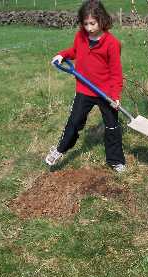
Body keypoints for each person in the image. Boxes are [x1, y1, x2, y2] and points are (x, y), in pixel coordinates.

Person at [45, 0, 125, 172]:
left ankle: (116, 160)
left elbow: (116, 73)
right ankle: (60, 150)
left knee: (112, 126)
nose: (89, 28)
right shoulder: (81, 36)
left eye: (92, 23)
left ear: (102, 20)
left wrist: (115, 95)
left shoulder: (112, 43)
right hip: (84, 89)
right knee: (74, 122)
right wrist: (62, 55)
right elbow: (75, 51)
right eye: (85, 23)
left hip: (105, 93)